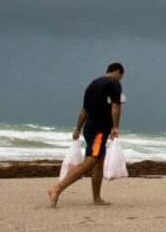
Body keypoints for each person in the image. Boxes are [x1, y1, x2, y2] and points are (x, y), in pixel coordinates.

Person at [48, 63, 125, 207]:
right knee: (91, 160)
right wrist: (116, 127)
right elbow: (116, 106)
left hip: (89, 127)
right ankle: (56, 189)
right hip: (99, 131)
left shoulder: (93, 84)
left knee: (99, 161)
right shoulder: (114, 84)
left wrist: (78, 129)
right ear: (117, 71)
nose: (120, 80)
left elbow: (84, 110)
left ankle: (97, 199)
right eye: (121, 76)